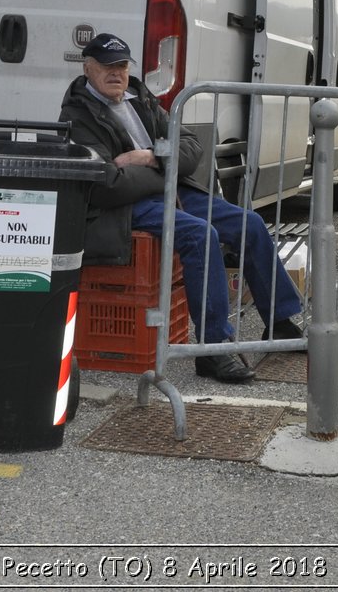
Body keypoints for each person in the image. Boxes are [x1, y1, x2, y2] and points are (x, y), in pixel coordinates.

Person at [59, 33, 306, 384]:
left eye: (122, 66)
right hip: (127, 207)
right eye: (106, 66)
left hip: (168, 190)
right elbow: (109, 185)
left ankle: (280, 322)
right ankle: (211, 348)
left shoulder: (139, 97)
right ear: (88, 68)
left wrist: (151, 158)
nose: (116, 73)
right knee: (200, 235)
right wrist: (167, 171)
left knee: (249, 223)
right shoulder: (78, 114)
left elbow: (189, 146)